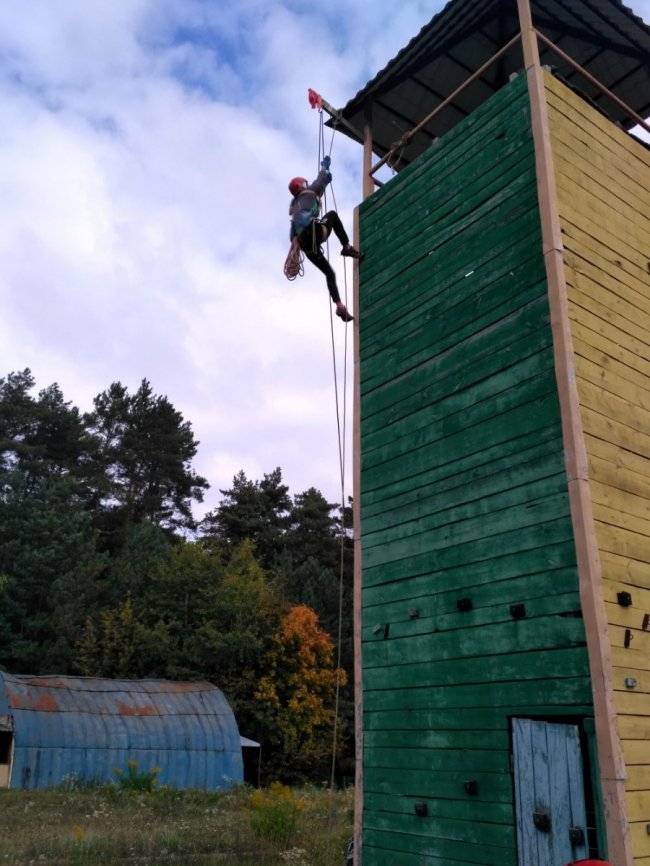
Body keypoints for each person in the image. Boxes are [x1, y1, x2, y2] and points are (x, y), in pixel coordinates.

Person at [288, 156, 362, 322]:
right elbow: (320, 181)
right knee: (333, 216)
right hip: (315, 232)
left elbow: (292, 236)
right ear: (301, 186)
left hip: (306, 247)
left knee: (329, 273)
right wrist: (325, 167)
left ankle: (339, 306)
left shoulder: (294, 209)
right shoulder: (309, 192)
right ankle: (346, 247)